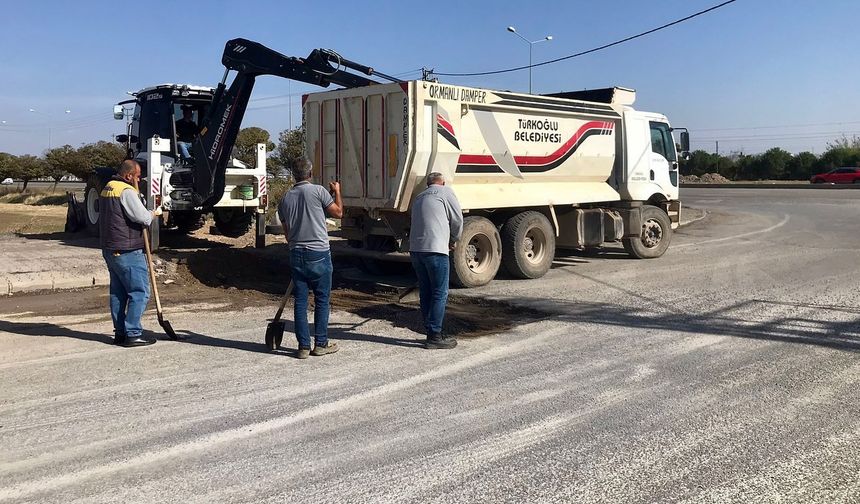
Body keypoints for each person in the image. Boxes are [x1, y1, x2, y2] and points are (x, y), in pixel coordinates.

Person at [278, 158, 343, 359]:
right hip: (319, 253)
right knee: (322, 299)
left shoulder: (285, 198)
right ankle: (321, 344)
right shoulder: (319, 191)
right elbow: (338, 213)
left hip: (296, 252)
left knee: (301, 300)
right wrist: (337, 192)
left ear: (293, 174)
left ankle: (303, 347)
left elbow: (288, 233)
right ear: (310, 173)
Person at [100, 160, 163, 347]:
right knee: (140, 292)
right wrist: (154, 213)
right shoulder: (127, 192)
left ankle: (120, 333)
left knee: (118, 294)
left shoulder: (108, 187)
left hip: (110, 249)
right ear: (128, 176)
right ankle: (133, 333)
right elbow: (142, 217)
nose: (139, 178)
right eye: (137, 176)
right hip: (127, 250)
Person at [409, 172, 463, 349]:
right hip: (436, 250)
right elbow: (457, 218)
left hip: (416, 250)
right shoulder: (446, 192)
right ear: (443, 182)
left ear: (428, 184)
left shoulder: (419, 197)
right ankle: (434, 335)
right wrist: (454, 238)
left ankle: (430, 330)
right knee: (440, 292)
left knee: (426, 291)